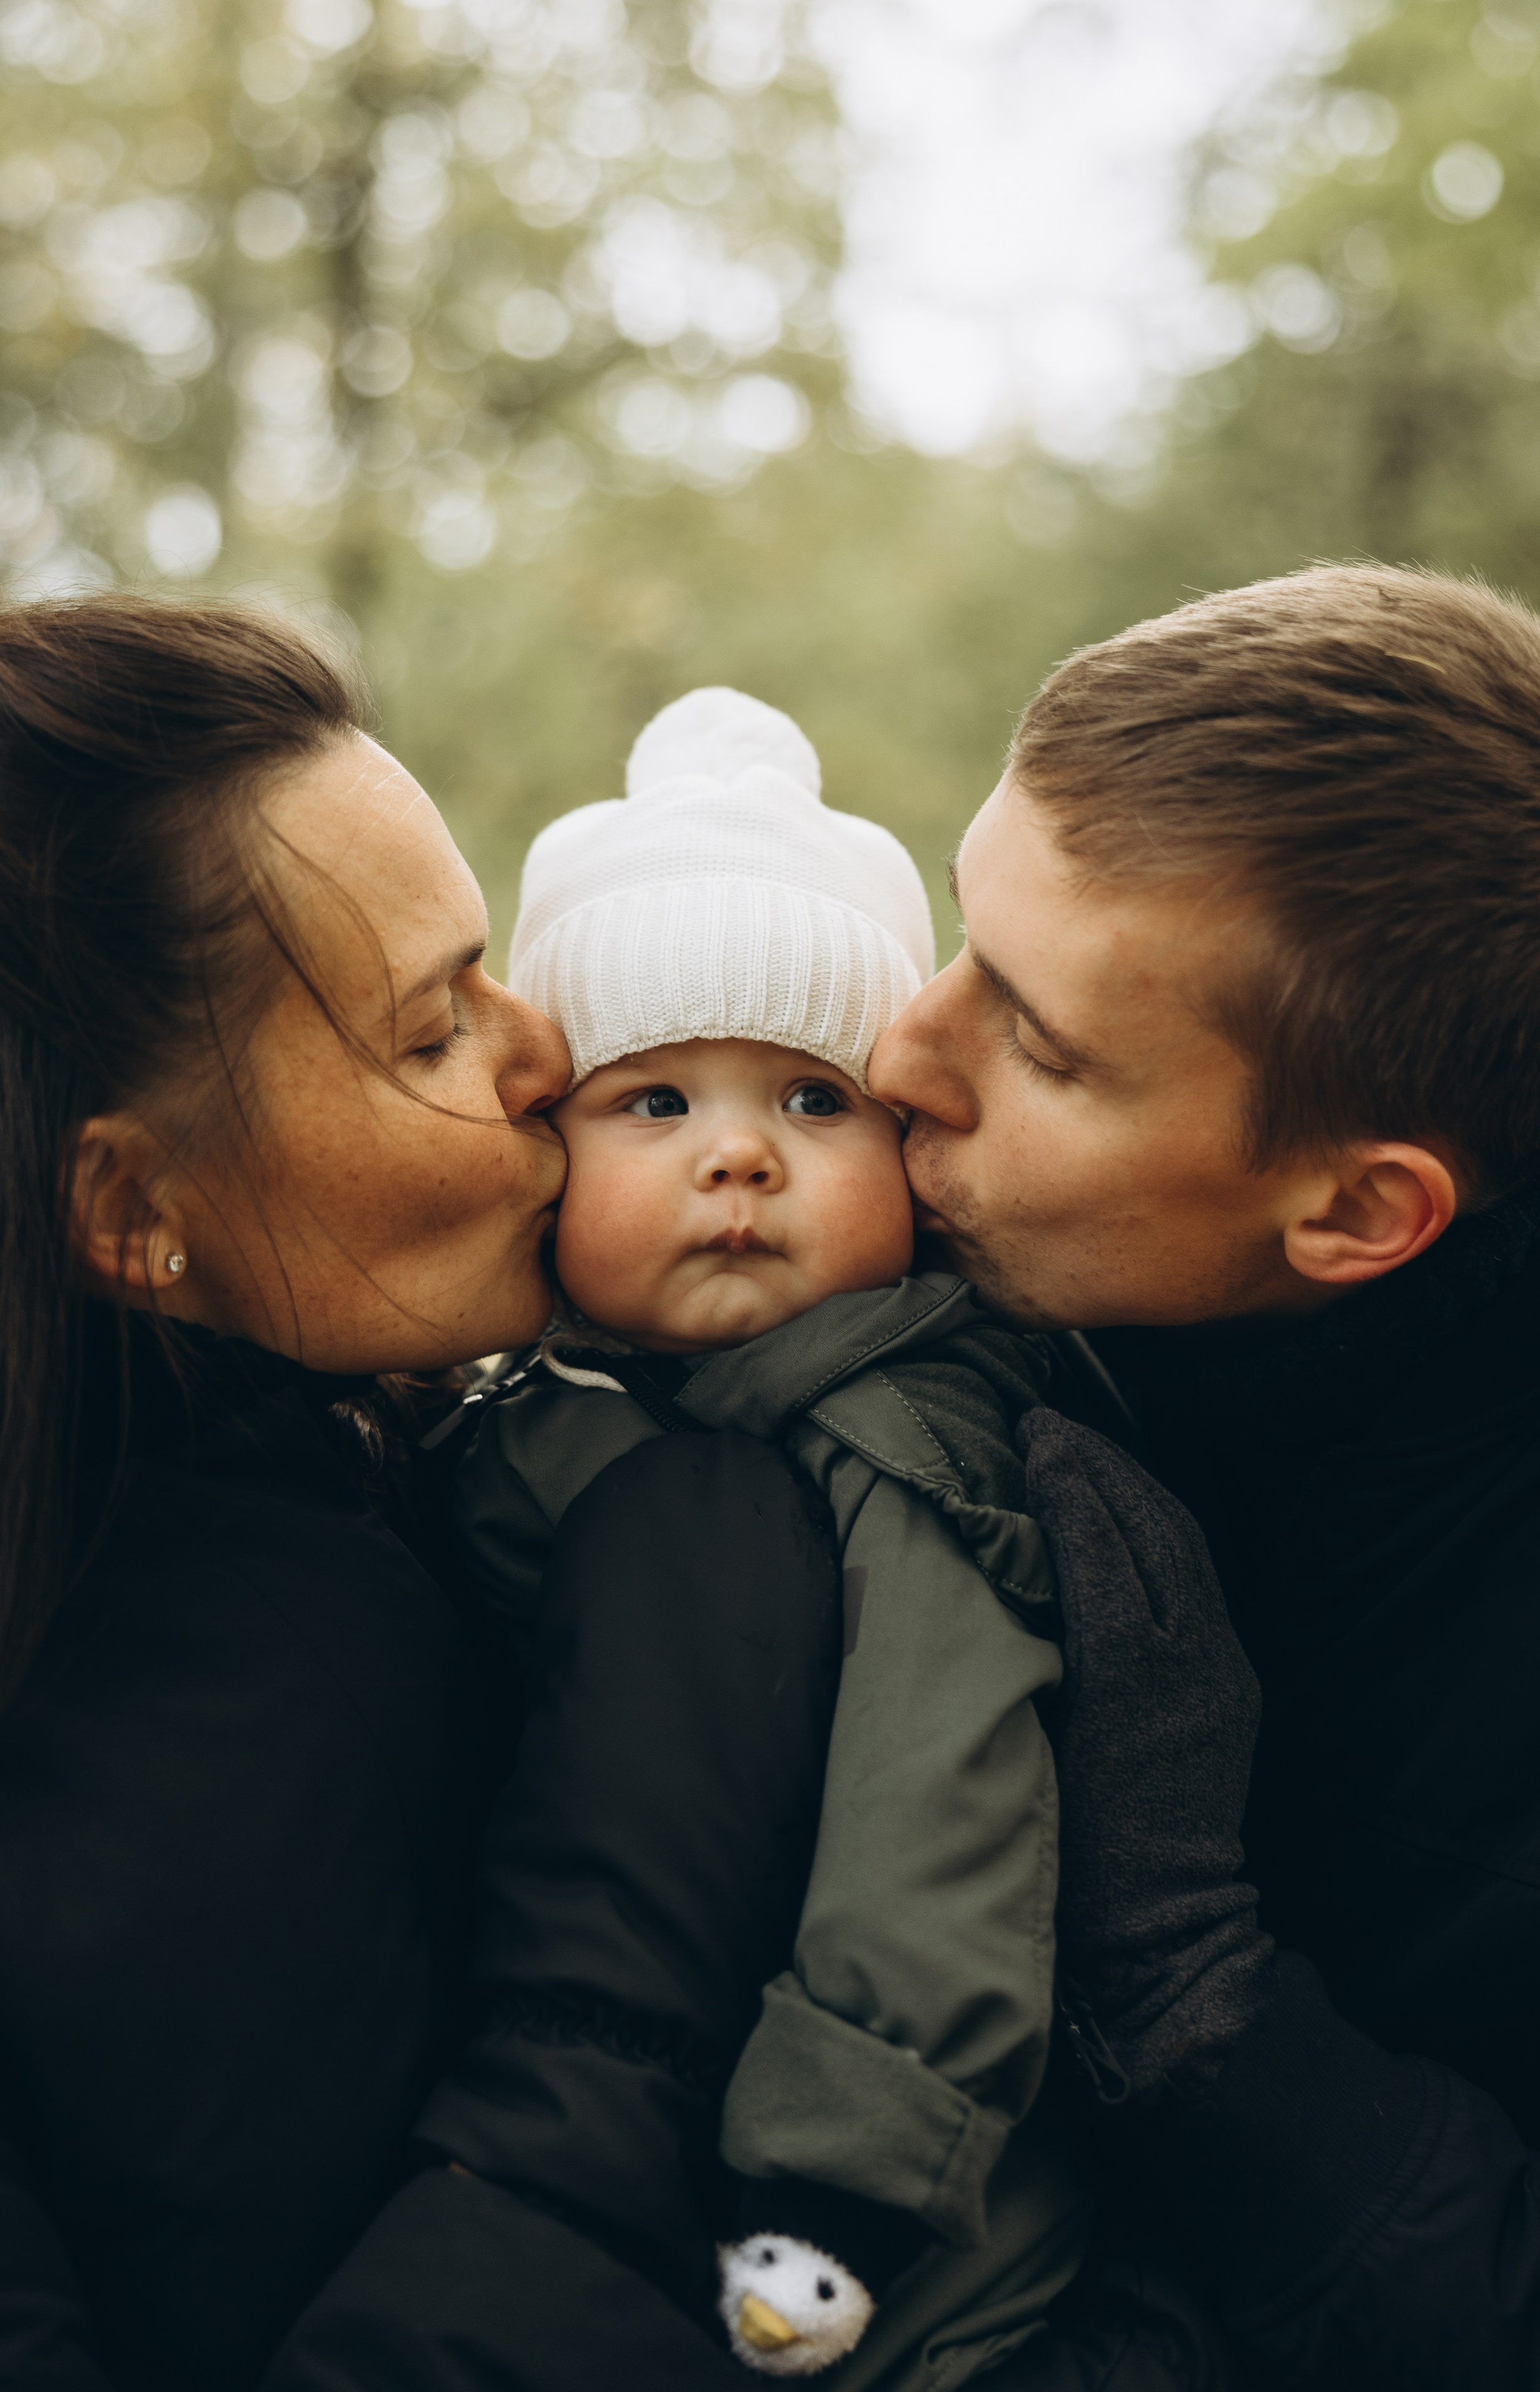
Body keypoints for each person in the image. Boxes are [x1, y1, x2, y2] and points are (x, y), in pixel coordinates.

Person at [0, 597, 846, 2392]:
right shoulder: (140, 1759)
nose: (544, 1059)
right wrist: (645, 1940)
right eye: (432, 1033)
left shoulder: (350, 1470)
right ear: (130, 1216)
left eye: (492, 968)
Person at [869, 562, 1540, 2390]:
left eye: (1040, 1038)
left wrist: (1188, 1988)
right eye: (960, 936)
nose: (897, 1054)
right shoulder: (1003, 1293)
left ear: (1353, 1209)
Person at [443, 688, 1093, 2378]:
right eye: (653, 1105)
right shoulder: (509, 1427)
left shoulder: (901, 1445)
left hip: (886, 2245)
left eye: (814, 1103)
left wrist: (849, 2182)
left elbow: (941, 1806)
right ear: (543, 1156)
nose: (738, 1155)